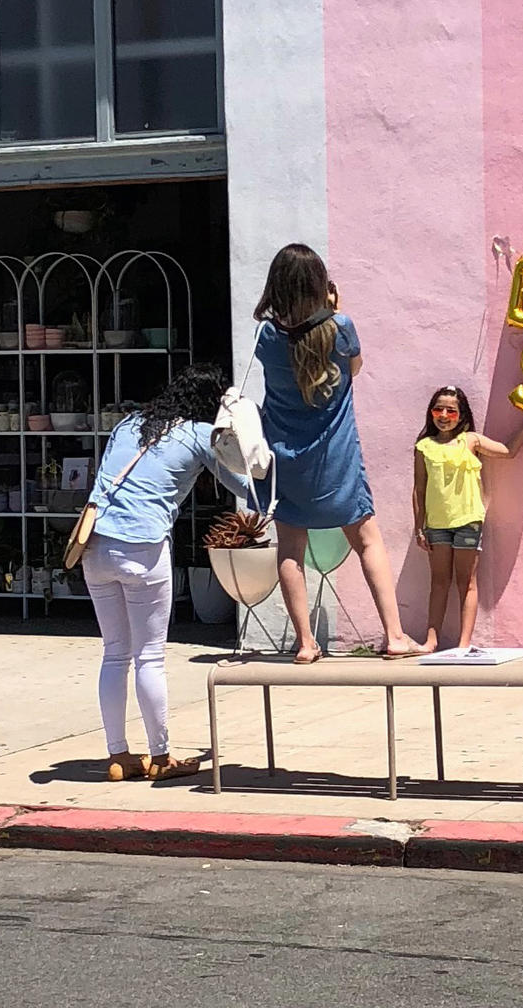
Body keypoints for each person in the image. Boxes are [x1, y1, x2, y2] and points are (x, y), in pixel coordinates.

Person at [253, 242, 425, 663]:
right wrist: (334, 309)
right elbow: (355, 369)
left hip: (284, 456)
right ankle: (395, 636)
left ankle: (306, 643)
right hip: (335, 455)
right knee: (367, 540)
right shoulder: (341, 327)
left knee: (290, 547)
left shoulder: (267, 334)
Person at [83, 363, 249, 782]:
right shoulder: (198, 434)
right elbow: (242, 483)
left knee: (115, 652)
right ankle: (160, 757)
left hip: (95, 544)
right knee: (149, 656)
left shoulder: (129, 424)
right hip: (143, 548)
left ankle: (117, 756)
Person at [413, 386, 523, 652]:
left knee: (467, 582)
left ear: (461, 415)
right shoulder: (424, 447)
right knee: (439, 581)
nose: (443, 415)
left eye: (450, 411)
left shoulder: (471, 440)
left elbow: (508, 451)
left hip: (468, 520)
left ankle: (464, 643)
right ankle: (431, 640)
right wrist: (419, 527)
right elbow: (419, 488)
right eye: (438, 409)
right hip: (437, 525)